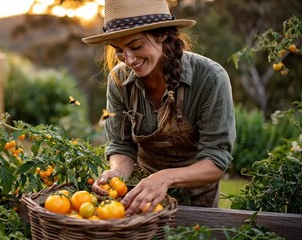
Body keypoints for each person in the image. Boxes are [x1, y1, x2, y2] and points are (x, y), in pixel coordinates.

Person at [82, 0, 236, 216]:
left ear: (162, 34)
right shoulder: (118, 79)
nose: (129, 59)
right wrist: (117, 172)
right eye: (118, 50)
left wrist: (165, 177)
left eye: (136, 46)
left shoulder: (210, 78)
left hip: (197, 202)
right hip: (141, 198)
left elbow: (216, 161)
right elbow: (121, 145)